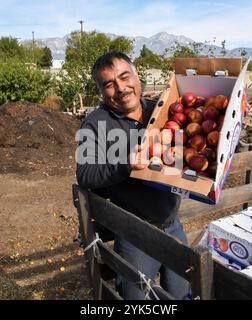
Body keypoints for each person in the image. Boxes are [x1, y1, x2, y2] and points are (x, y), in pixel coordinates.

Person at [75, 51, 190, 300]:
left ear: (137, 77)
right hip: (134, 234)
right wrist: (123, 165)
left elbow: (186, 150)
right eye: (109, 84)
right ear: (101, 91)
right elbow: (84, 174)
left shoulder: (160, 112)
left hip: (172, 225)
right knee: (135, 299)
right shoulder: (95, 124)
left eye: (125, 77)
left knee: (182, 295)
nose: (121, 88)